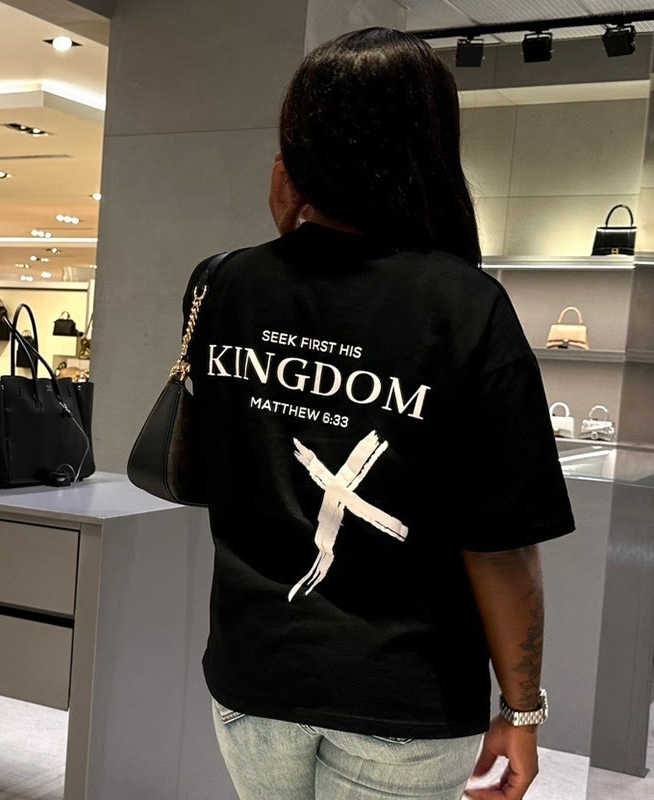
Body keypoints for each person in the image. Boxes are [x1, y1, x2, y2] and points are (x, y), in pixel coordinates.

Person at [181, 26, 576, 800]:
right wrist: (522, 709)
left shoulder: (221, 285)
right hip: (406, 696)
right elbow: (499, 547)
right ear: (429, 148)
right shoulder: (465, 308)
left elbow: (225, 456)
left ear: (295, 148)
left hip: (252, 679)